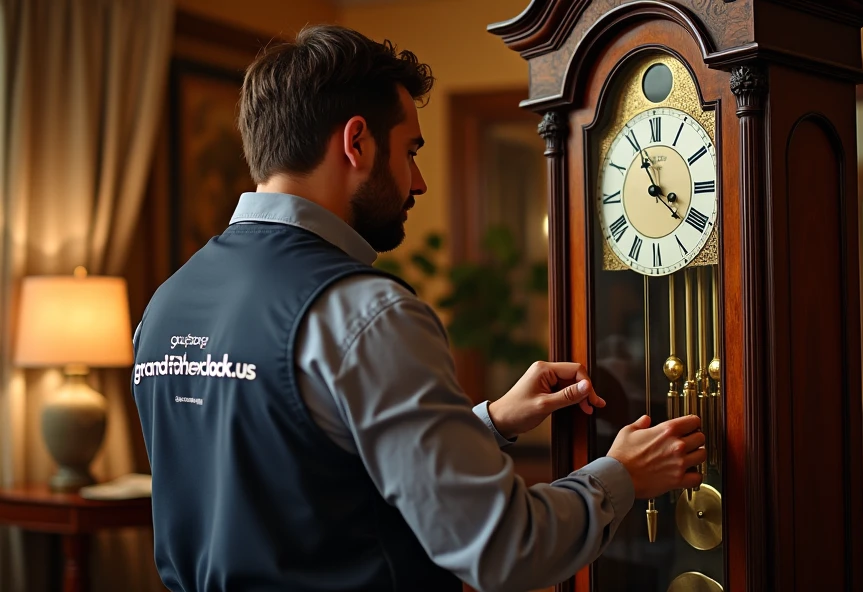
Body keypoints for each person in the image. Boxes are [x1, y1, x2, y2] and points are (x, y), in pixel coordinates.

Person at [131, 24, 706, 592]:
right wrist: (623, 474)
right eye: (410, 151)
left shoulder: (165, 304)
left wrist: (489, 422)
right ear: (356, 143)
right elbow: (503, 548)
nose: (420, 182)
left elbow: (302, 472)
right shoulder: (367, 314)